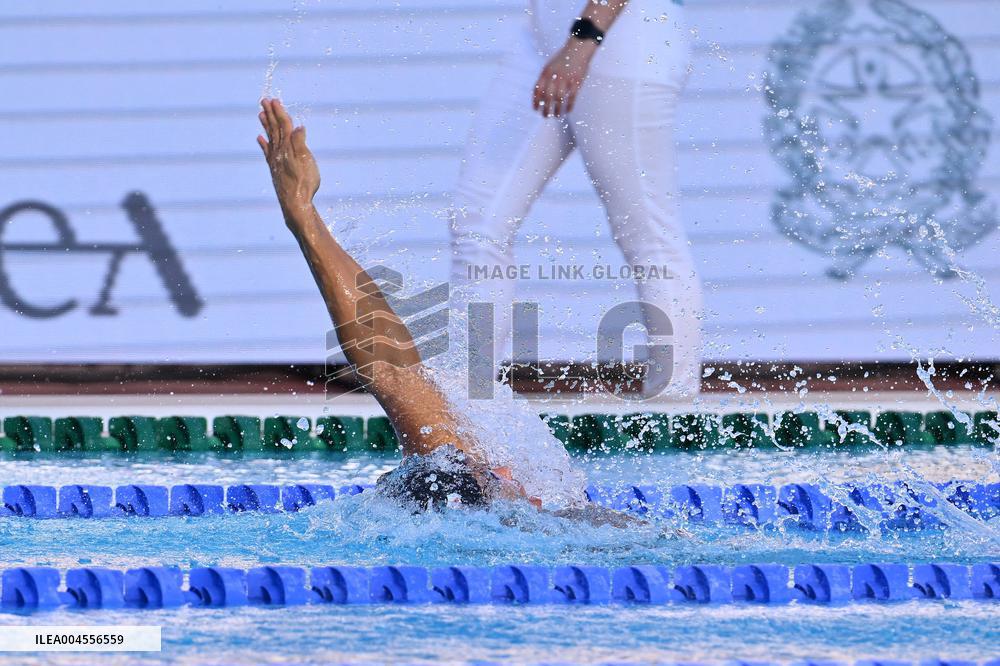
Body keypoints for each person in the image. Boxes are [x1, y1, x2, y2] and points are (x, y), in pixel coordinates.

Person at [257, 98, 558, 513]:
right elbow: (392, 372)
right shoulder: (521, 514)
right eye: (492, 474)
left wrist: (302, 214)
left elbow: (392, 371)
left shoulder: (465, 492)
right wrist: (302, 215)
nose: (501, 469)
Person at [450, 0, 702, 396]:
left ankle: (674, 404)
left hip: (619, 37)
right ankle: (467, 397)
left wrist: (583, 39)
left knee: (649, 238)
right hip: (544, 34)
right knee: (478, 221)